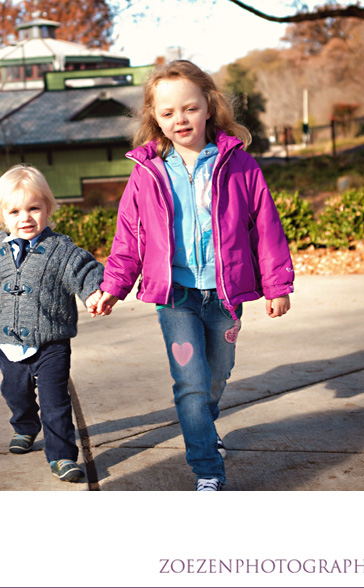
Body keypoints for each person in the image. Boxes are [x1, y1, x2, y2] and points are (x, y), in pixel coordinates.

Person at [95, 60, 294, 491]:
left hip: (226, 296)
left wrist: (277, 285)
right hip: (177, 297)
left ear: (208, 107)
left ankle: (206, 424)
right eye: (167, 113)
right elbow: (129, 237)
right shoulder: (147, 174)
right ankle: (207, 468)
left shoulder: (239, 166)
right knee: (190, 382)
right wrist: (113, 286)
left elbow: (266, 227)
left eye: (189, 108)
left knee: (217, 378)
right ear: (155, 119)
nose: (179, 119)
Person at [0, 164, 104, 483]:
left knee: (55, 403)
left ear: (48, 207)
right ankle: (25, 427)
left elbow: (86, 270)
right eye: (15, 211)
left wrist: (94, 292)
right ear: (2, 216)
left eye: (34, 208)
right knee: (15, 393)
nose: (26, 218)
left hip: (52, 344)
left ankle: (61, 456)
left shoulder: (61, 250)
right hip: (10, 345)